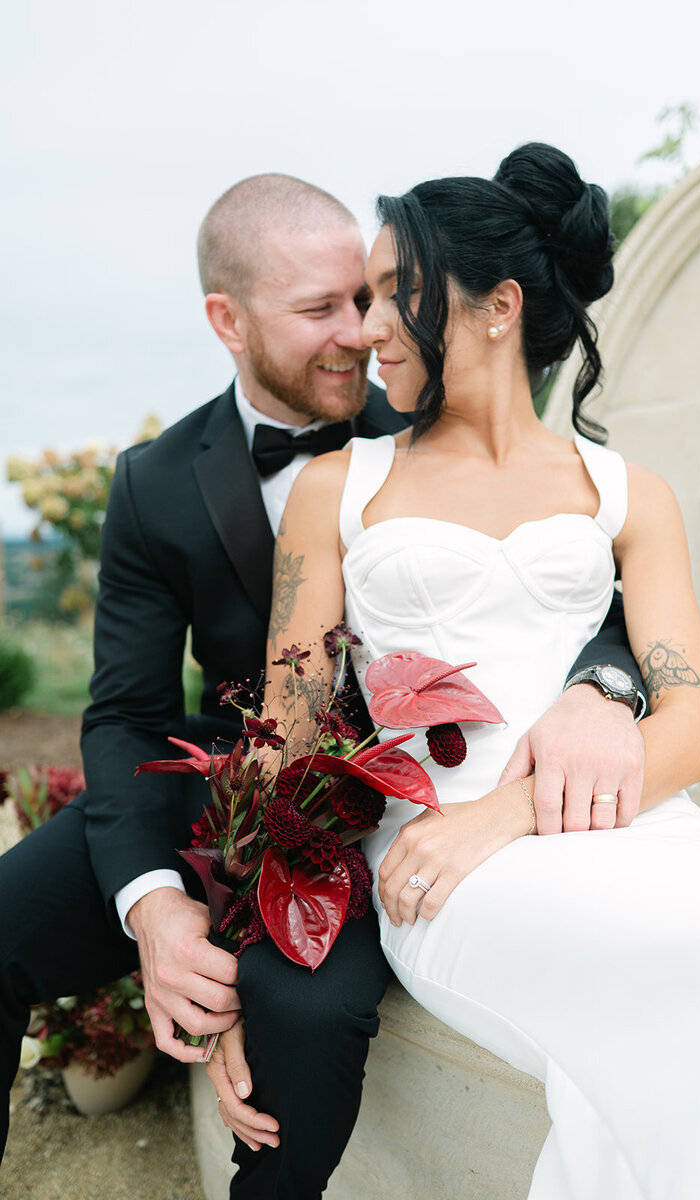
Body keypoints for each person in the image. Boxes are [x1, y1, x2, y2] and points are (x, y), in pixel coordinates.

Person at [0, 171, 646, 1198]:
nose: (362, 331)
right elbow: (124, 712)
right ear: (227, 320)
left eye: (371, 298)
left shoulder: (440, 416)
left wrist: (601, 689)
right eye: (320, 311)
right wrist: (159, 910)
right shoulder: (153, 484)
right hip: (230, 776)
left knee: (303, 1010)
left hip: (418, 784)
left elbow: (581, 592)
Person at [217, 146, 700, 1199]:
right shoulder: (338, 488)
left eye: (398, 293)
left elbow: (692, 729)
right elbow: (284, 738)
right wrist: (245, 968)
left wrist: (506, 810)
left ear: (496, 308)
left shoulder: (630, 493)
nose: (368, 326)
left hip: (624, 828)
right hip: (445, 874)